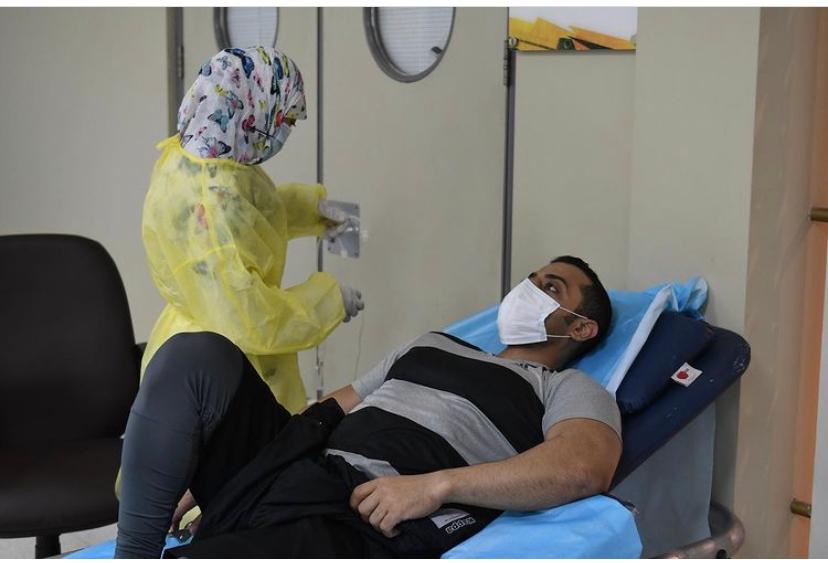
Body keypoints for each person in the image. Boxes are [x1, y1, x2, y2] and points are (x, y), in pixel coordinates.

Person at [115, 256, 621, 558]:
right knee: (197, 355)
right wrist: (207, 461)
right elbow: (332, 407)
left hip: (358, 513)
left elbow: (582, 467)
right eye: (531, 279)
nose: (528, 291)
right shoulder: (433, 344)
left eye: (550, 288)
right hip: (295, 465)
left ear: (581, 327)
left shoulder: (564, 387)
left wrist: (437, 486)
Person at [140, 45, 363, 414]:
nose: (288, 130)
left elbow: (250, 213)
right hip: (220, 374)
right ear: (254, 109)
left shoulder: (203, 159)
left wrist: (314, 212)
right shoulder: (210, 201)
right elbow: (251, 318)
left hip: (199, 347)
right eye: (286, 119)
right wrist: (328, 302)